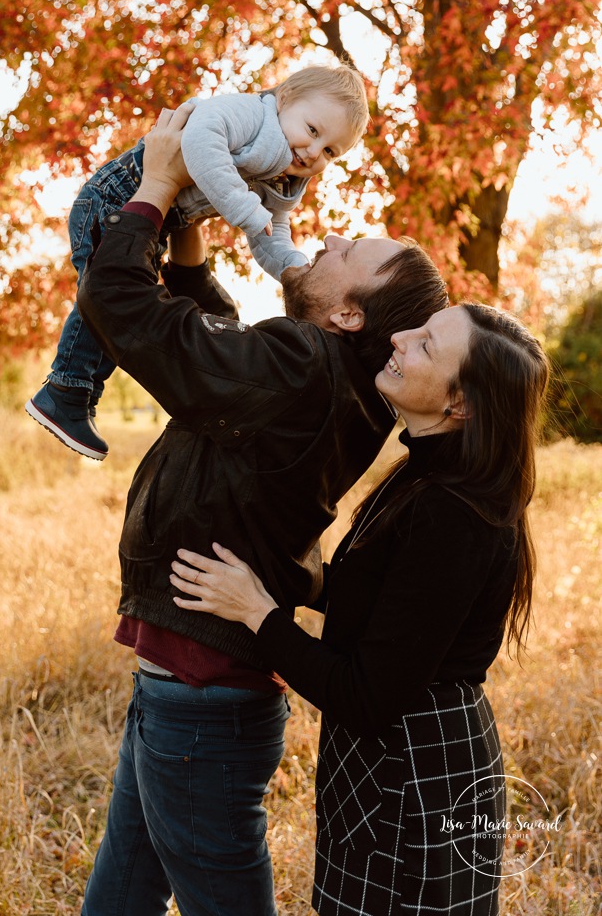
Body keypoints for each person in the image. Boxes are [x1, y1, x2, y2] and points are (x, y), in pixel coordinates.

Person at [74, 106, 449, 916]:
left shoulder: (305, 368)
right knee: (122, 892)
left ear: (347, 316)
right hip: (191, 683)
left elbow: (128, 315)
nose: (330, 237)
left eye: (349, 252)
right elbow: (233, 354)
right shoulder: (333, 382)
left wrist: (156, 189)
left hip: (200, 696)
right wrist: (189, 244)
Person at [170, 303, 550, 916]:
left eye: (426, 345)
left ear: (460, 404)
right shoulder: (423, 473)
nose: (399, 338)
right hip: (391, 753)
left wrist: (257, 612)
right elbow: (379, 604)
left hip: (415, 763)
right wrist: (288, 578)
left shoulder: (453, 515)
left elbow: (366, 696)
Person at [25, 64, 369, 460]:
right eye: (312, 130)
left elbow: (271, 230)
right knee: (106, 297)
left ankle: (78, 394)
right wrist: (243, 206)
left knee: (115, 309)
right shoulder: (252, 114)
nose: (313, 152)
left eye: (329, 151)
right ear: (286, 98)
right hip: (117, 198)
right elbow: (201, 141)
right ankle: (66, 390)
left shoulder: (285, 176)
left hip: (159, 220)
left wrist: (293, 269)